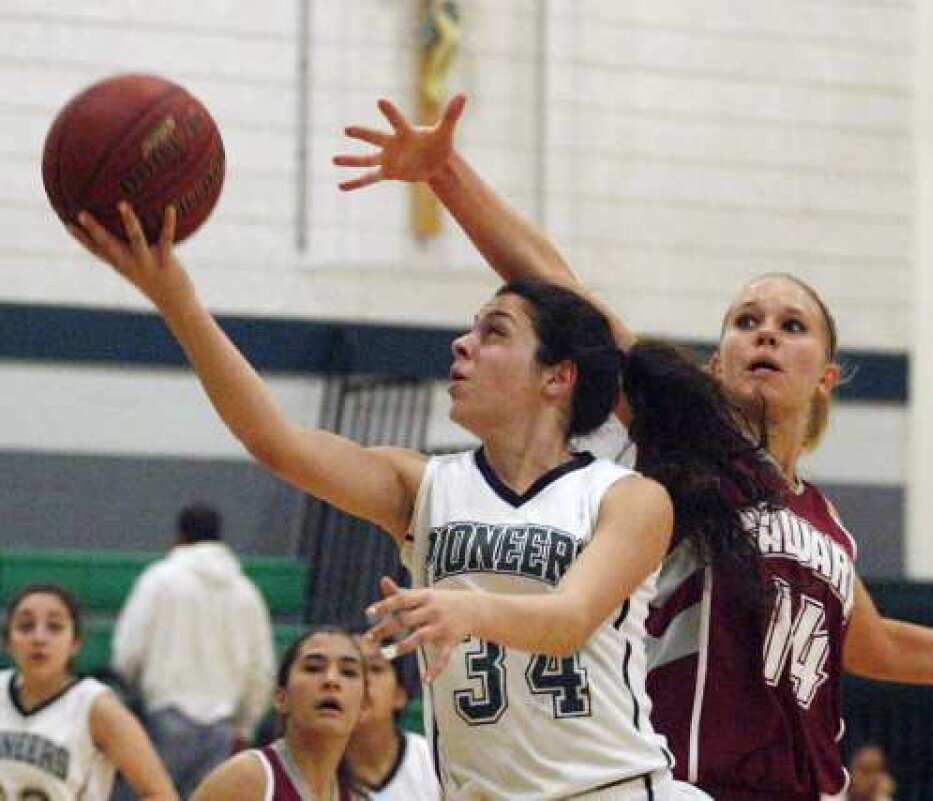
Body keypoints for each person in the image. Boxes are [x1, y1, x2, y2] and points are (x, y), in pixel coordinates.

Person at [333, 93, 933, 800]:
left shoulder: (825, 523)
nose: (764, 332)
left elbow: (877, 644)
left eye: (790, 325)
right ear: (716, 358)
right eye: (744, 321)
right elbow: (562, 291)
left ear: (826, 374)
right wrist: (446, 175)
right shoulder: (687, 445)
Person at [67, 203, 725, 799]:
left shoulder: (628, 497)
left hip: (611, 790)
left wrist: (463, 606)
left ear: (557, 376)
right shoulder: (424, 486)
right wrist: (175, 297)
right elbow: (276, 442)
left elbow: (569, 617)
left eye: (494, 332)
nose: (462, 344)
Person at [111, 502, 276, 798]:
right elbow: (261, 670)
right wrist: (245, 728)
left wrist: (128, 703)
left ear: (179, 536)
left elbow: (128, 651)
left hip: (162, 720)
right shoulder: (246, 593)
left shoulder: (159, 580)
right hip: (221, 730)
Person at [0, 583, 177, 800]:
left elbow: (161, 794)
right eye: (25, 626)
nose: (39, 638)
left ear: (75, 643)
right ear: (8, 641)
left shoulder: (96, 708)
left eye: (54, 627)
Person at [190, 627, 367, 801]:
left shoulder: (355, 797)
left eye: (348, 672)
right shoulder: (248, 778)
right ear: (281, 698)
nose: (331, 680)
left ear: (363, 708)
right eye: (313, 668)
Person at [345, 642, 438, 800]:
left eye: (375, 668)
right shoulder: (312, 765)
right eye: (348, 671)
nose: (362, 680)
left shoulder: (430, 760)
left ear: (400, 695)